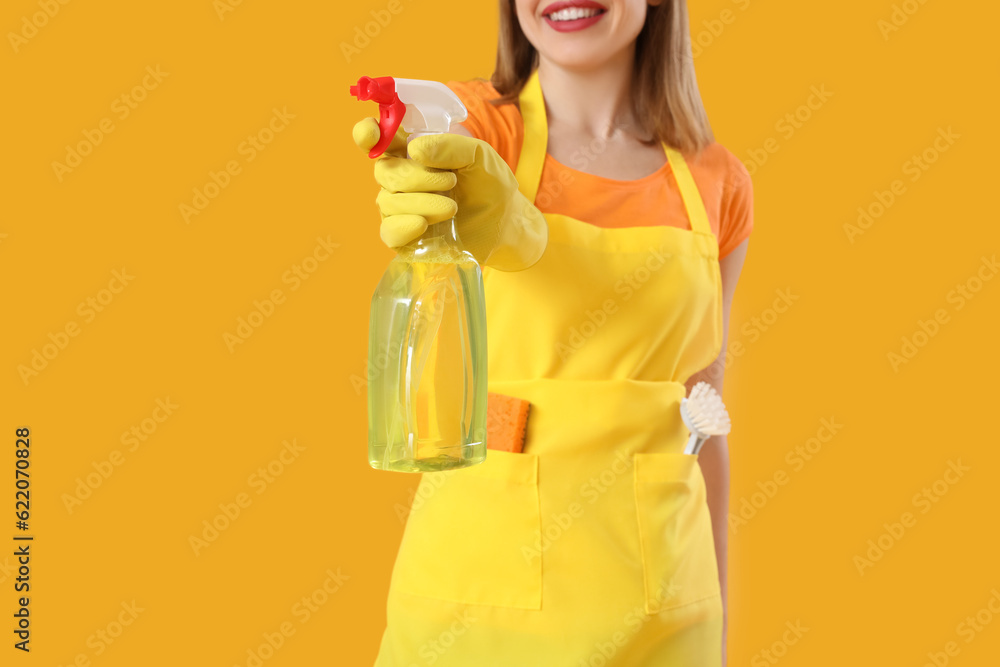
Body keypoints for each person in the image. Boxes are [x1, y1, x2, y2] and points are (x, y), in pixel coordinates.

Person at [353, 1, 753, 664]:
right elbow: (431, 140)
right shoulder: (482, 131)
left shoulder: (718, 182)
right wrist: (428, 169)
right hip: (477, 615)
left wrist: (717, 616)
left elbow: (702, 415)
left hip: (661, 622)